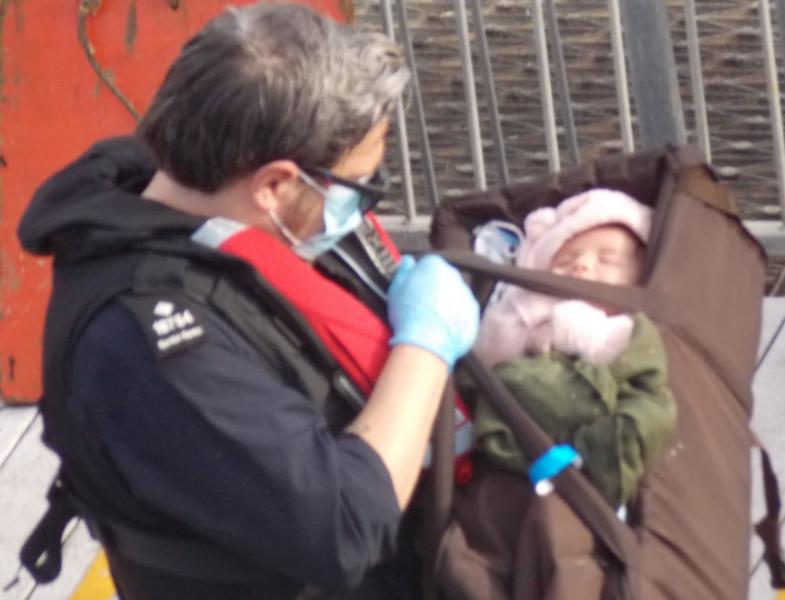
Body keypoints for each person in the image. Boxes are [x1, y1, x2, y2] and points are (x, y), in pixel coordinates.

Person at [16, 4, 478, 599]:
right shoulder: (148, 344)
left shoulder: (189, 192)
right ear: (274, 186)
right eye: (359, 189)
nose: (362, 212)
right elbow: (345, 526)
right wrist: (426, 343)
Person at [471, 188, 677, 510]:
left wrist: (587, 338)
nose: (581, 266)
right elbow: (488, 353)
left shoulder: (632, 319)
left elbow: (644, 372)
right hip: (539, 404)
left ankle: (600, 461)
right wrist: (530, 329)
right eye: (566, 260)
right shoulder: (538, 303)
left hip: (614, 398)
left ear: (640, 277)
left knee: (654, 414)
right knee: (506, 390)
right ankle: (566, 463)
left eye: (607, 260)